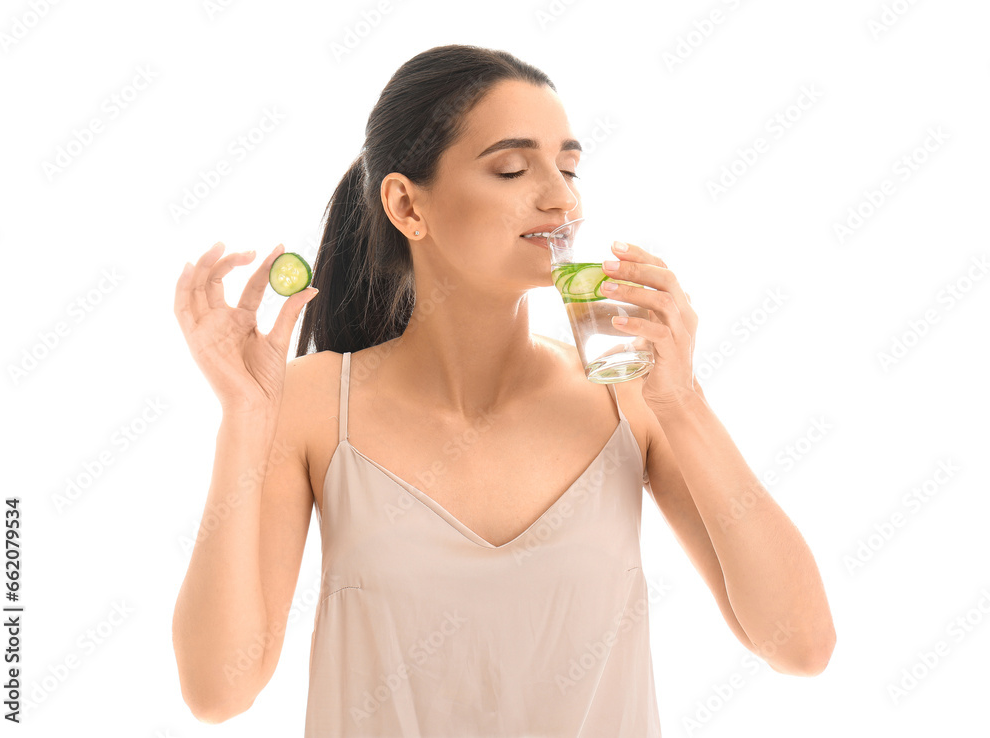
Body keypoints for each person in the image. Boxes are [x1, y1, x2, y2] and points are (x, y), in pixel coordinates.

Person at [171, 44, 834, 737]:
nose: (561, 197)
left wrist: (684, 402)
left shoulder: (627, 397)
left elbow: (801, 645)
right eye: (514, 168)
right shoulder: (310, 405)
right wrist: (244, 418)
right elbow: (219, 691)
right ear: (406, 204)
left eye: (569, 167)